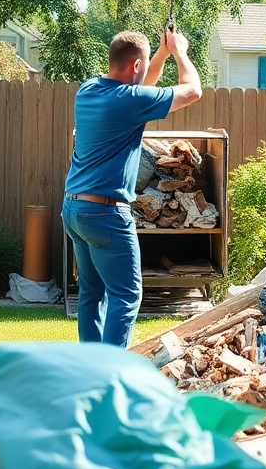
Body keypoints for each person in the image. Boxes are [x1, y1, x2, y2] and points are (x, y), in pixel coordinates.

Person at [63, 28, 202, 346]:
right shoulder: (129, 101)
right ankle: (112, 376)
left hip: (74, 209)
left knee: (91, 295)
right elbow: (192, 91)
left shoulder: (88, 90)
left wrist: (160, 54)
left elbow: (143, 85)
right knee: (126, 296)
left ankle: (93, 370)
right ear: (136, 66)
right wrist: (180, 51)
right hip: (105, 214)